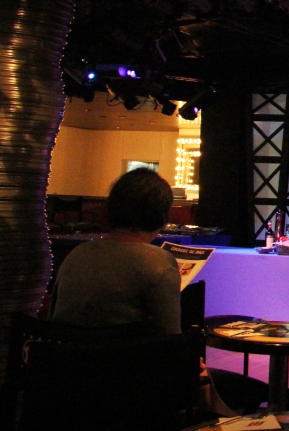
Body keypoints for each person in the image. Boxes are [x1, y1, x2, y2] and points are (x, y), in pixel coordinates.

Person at [49, 168, 236, 416]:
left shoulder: (76, 256)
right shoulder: (157, 262)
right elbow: (170, 346)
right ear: (161, 215)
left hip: (69, 390)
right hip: (131, 395)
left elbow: (55, 322)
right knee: (215, 380)